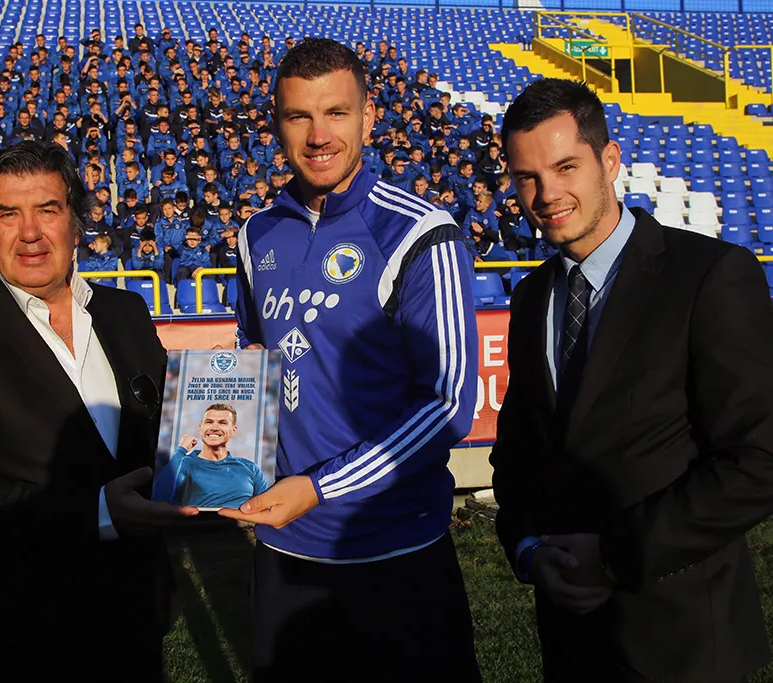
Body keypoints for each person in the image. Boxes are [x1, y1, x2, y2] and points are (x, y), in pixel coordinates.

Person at [490, 78, 773, 683]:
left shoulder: (709, 275)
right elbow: (518, 453)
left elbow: (758, 459)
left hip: (683, 641)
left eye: (566, 167)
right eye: (526, 177)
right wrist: (530, 550)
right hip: (570, 639)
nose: (547, 194)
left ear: (610, 160)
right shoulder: (533, 296)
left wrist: (618, 555)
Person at [225, 38, 481, 683]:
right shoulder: (256, 233)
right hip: (284, 548)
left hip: (395, 549)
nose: (318, 136)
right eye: (299, 116)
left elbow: (449, 404)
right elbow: (256, 353)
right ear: (277, 123)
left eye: (336, 113)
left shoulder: (421, 233)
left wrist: (319, 488)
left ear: (369, 117)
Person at [0, 141, 197, 682]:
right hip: (13, 627)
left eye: (47, 210)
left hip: (133, 610)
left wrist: (220, 398)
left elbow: (158, 435)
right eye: (7, 214)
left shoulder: (125, 311)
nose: (30, 232)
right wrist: (99, 512)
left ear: (76, 224)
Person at [152, 404, 269, 508]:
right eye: (209, 422)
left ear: (233, 430)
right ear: (200, 428)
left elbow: (266, 509)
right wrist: (181, 449)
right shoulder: (184, 464)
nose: (214, 428)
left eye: (222, 423)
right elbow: (159, 498)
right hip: (197, 525)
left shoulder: (250, 468)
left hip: (242, 525)